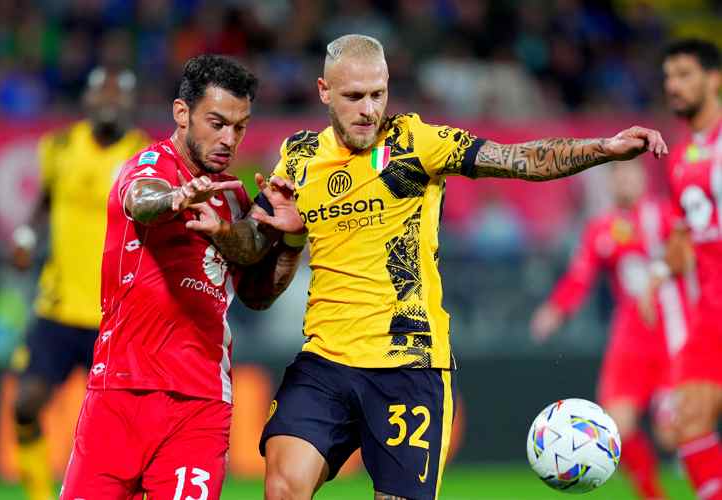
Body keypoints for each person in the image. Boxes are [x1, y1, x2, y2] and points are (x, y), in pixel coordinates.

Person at [258, 34, 668, 500]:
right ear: (324, 92)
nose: (369, 109)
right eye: (354, 96)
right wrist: (272, 237)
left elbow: (520, 160)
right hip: (325, 362)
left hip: (408, 365)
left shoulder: (417, 142)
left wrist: (603, 149)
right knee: (283, 488)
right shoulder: (298, 157)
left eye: (378, 94)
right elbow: (259, 278)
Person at [59, 54, 305, 500]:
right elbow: (141, 201)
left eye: (239, 126)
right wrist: (177, 198)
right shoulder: (149, 167)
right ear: (181, 113)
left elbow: (256, 294)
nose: (228, 138)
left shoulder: (232, 198)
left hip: (200, 406)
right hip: (119, 393)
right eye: (216, 123)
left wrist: (289, 242)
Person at [9, 66, 150, 500]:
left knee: (128, 429)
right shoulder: (59, 147)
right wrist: (27, 237)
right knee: (25, 405)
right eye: (101, 94)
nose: (109, 102)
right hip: (57, 307)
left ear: (131, 102)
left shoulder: (143, 155)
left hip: (116, 317)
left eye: (118, 95)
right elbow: (45, 200)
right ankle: (38, 494)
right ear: (86, 100)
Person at [530, 161, 693, 500]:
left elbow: (689, 256)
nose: (625, 183)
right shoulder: (601, 227)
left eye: (631, 175)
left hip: (671, 338)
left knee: (671, 433)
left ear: (644, 179)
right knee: (617, 423)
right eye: (618, 177)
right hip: (630, 341)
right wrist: (556, 310)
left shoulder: (663, 217)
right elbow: (580, 276)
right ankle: (652, 496)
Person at [662, 38, 722, 500]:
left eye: (684, 75)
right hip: (710, 313)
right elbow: (681, 241)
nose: (673, 86)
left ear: (714, 78)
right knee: (686, 423)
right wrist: (663, 275)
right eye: (668, 77)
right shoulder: (681, 158)